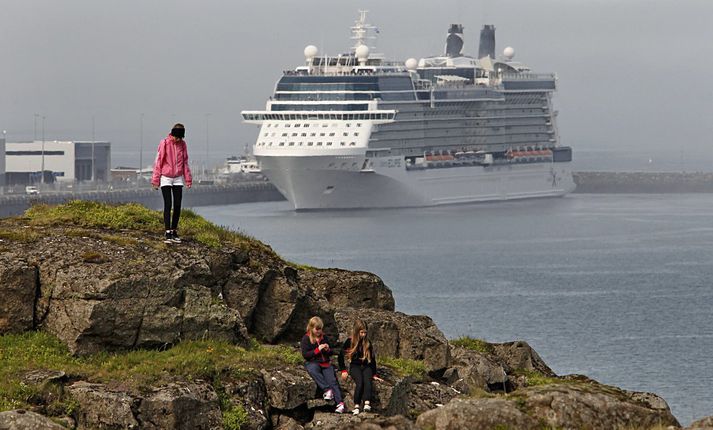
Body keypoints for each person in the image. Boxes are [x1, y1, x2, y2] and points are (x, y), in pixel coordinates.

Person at [151, 123, 192, 243]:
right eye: (177, 137)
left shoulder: (183, 144)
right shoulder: (164, 143)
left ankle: (174, 231)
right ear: (172, 134)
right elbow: (158, 162)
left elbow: (185, 163)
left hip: (178, 178)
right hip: (166, 177)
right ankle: (167, 232)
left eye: (180, 138)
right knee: (168, 204)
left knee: (178, 205)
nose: (178, 139)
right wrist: (155, 180)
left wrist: (188, 179)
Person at [301, 316, 345, 414]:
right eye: (317, 329)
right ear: (311, 328)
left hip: (325, 363)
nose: (319, 331)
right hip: (313, 362)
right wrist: (317, 350)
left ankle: (340, 404)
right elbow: (305, 355)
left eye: (320, 329)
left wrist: (328, 349)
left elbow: (330, 352)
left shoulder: (324, 337)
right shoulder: (306, 338)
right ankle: (327, 390)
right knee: (312, 370)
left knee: (333, 381)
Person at [338, 319, 383, 415]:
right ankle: (356, 406)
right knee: (360, 382)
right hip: (355, 367)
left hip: (367, 367)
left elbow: (372, 359)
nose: (364, 335)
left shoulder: (368, 343)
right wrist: (343, 370)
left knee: (367, 381)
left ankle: (367, 403)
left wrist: (374, 374)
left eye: (365, 333)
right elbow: (340, 356)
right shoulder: (349, 342)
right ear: (356, 332)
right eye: (362, 333)